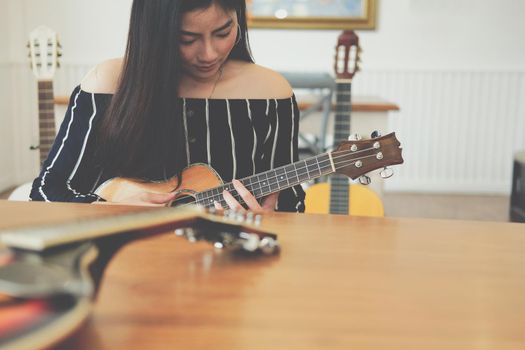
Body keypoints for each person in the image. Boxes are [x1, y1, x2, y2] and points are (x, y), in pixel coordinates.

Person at [30, 0, 305, 213]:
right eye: (187, 39)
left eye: (223, 32)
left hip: (228, 267)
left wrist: (270, 218)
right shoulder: (108, 84)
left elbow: (291, 200)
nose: (209, 54)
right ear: (154, 33)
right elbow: (46, 190)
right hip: (125, 265)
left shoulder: (271, 93)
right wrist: (106, 207)